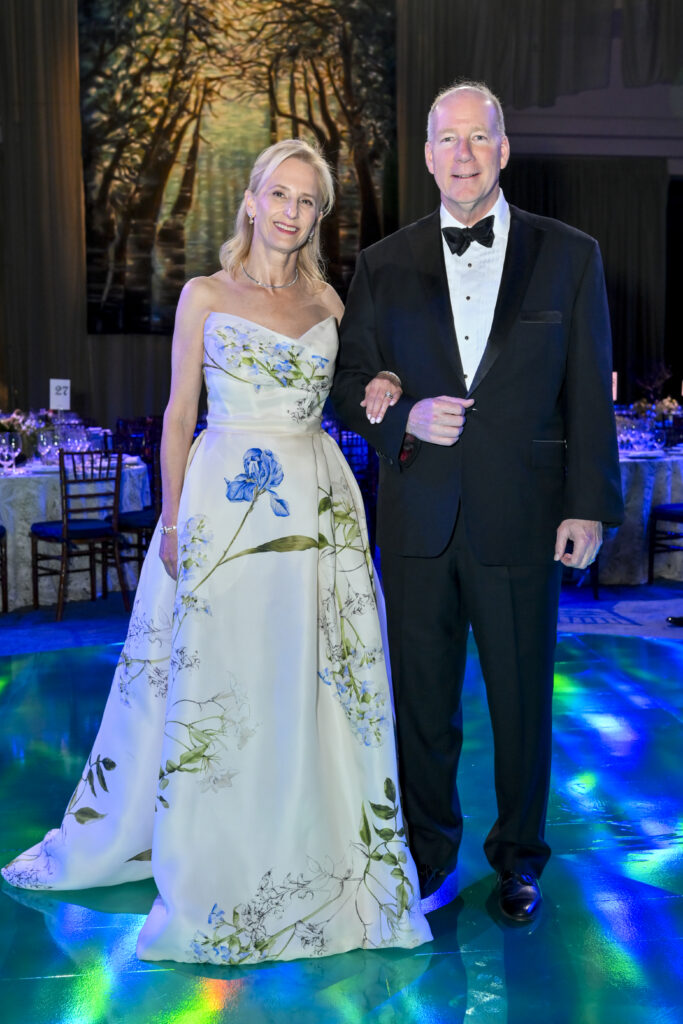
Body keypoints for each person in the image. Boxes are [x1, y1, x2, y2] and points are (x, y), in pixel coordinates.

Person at [2, 139, 432, 963]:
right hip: (225, 504)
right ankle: (220, 850)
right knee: (223, 682)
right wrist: (170, 519)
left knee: (313, 678)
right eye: (279, 194)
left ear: (318, 216)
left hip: (317, 503)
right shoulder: (204, 293)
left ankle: (320, 846)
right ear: (251, 199)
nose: (291, 212)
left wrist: (383, 388)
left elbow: (358, 388)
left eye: (308, 201)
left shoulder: (332, 303)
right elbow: (176, 416)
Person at [331, 82, 624, 923]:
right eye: (446, 140)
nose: (462, 155)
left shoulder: (569, 254)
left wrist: (588, 506)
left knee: (521, 701)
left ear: (503, 148)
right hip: (418, 518)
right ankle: (429, 857)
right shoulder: (382, 264)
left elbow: (585, 395)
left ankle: (518, 859)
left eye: (478, 138)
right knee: (421, 705)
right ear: (425, 155)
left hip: (522, 517)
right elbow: (348, 384)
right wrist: (401, 419)